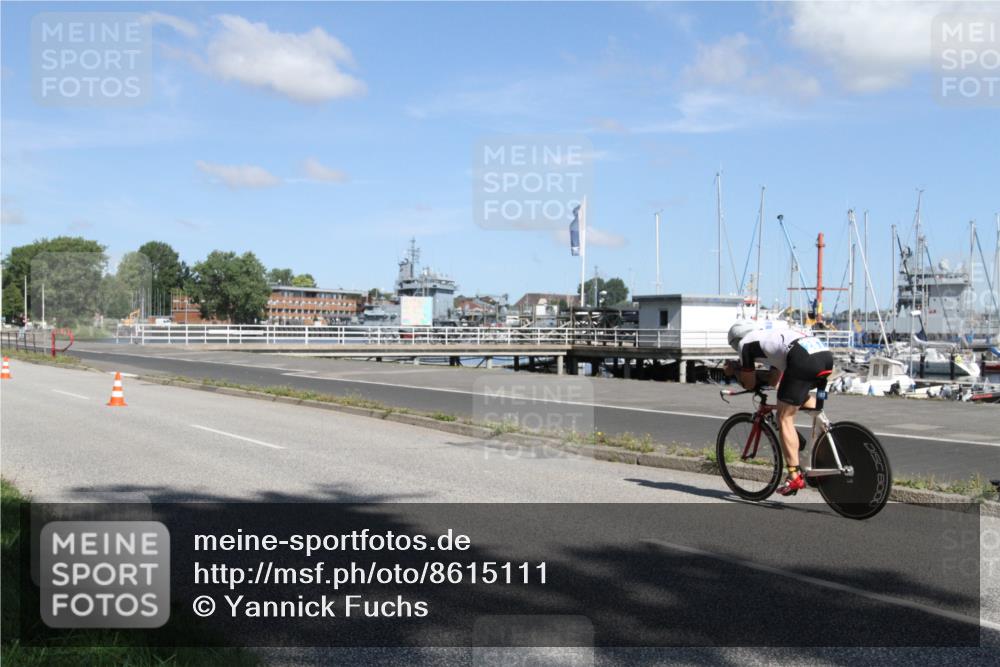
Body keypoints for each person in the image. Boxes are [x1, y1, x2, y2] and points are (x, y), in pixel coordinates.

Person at [723, 321, 834, 495]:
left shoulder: (745, 345)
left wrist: (734, 370)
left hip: (802, 358)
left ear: (735, 342)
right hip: (824, 355)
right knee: (798, 399)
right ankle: (826, 434)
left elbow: (749, 383)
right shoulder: (767, 338)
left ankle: (794, 476)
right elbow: (774, 380)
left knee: (784, 417)